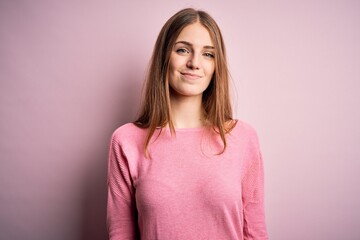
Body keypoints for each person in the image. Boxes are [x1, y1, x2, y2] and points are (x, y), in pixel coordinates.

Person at [107, 8, 268, 240]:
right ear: (165, 57)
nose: (194, 63)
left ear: (216, 66)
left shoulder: (243, 137)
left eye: (208, 54)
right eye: (183, 50)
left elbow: (255, 232)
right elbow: (121, 233)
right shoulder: (126, 141)